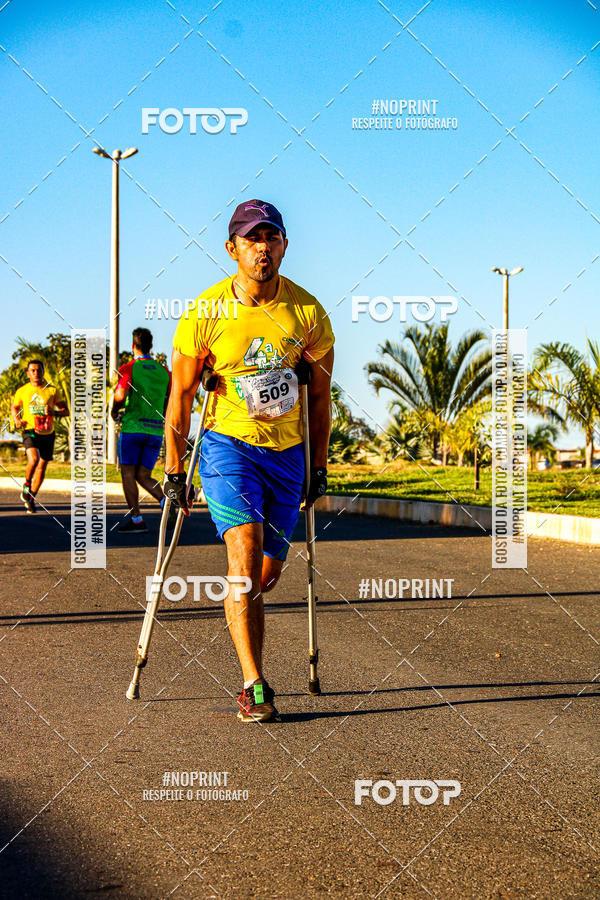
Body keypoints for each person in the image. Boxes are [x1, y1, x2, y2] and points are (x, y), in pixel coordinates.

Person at [164, 199, 334, 723]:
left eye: (272, 237)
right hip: (226, 446)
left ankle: (242, 610)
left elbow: (320, 398)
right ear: (232, 248)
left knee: (264, 574)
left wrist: (318, 466)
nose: (263, 247)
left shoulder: (308, 313)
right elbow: (182, 394)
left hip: (286, 454)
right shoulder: (205, 313)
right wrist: (173, 471)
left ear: (284, 244)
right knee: (243, 560)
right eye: (252, 238)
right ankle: (254, 682)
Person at [112, 327, 171, 533]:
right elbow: (171, 398)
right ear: (151, 346)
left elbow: (120, 396)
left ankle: (137, 520)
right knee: (144, 475)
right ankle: (165, 502)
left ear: (133, 346)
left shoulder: (130, 368)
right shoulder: (164, 371)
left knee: (128, 474)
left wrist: (113, 410)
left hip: (133, 427)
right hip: (155, 430)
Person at [11, 360, 69, 513]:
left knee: (42, 465)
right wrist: (17, 419)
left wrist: (54, 413)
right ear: (28, 373)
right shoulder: (22, 391)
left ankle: (31, 497)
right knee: (34, 459)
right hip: (30, 430)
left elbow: (66, 411)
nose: (36, 373)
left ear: (43, 372)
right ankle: (27, 484)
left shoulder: (52, 391)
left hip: (48, 433)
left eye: (39, 370)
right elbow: (15, 406)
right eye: (33, 371)